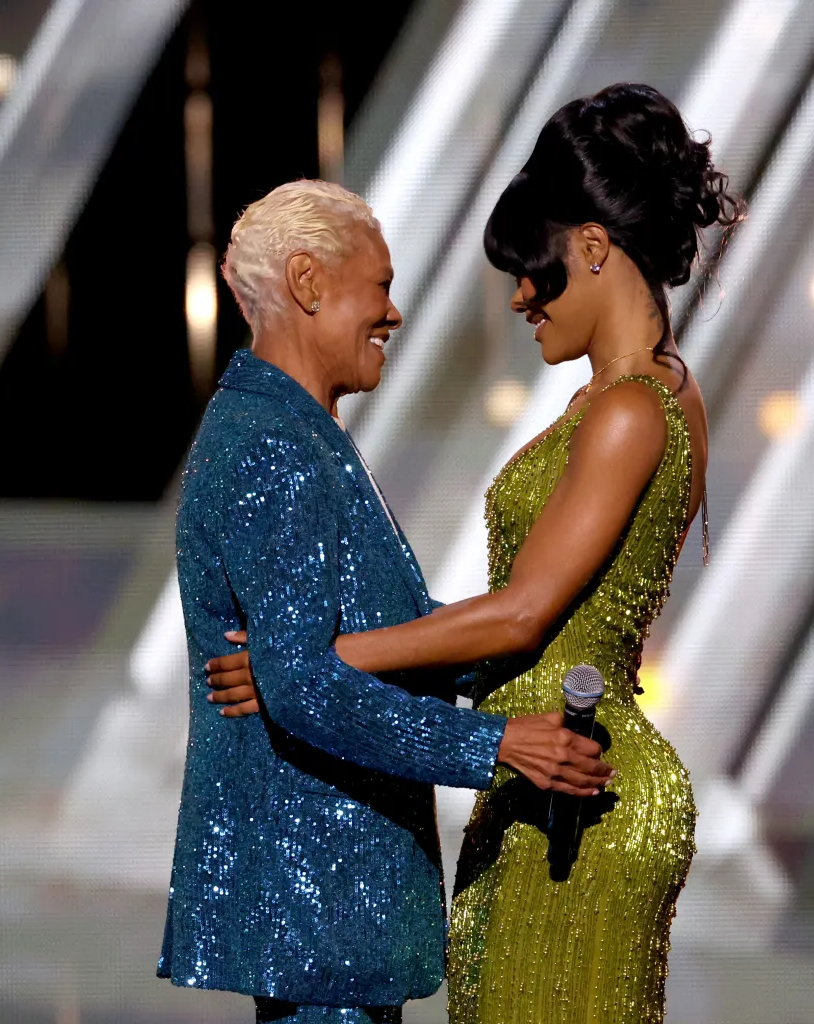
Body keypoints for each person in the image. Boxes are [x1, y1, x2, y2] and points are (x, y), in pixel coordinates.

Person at [208, 84, 742, 1023]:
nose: (520, 297)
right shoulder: (665, 395)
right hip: (552, 773)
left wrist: (314, 665)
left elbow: (523, 613)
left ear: (592, 245)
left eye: (533, 270)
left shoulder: (625, 412)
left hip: (569, 789)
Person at [158, 179, 613, 1024]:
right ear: (307, 283)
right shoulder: (272, 448)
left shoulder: (294, 433)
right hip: (321, 916)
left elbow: (357, 646)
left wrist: (552, 619)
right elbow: (303, 689)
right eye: (381, 285)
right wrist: (503, 745)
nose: (393, 314)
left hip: (333, 926)